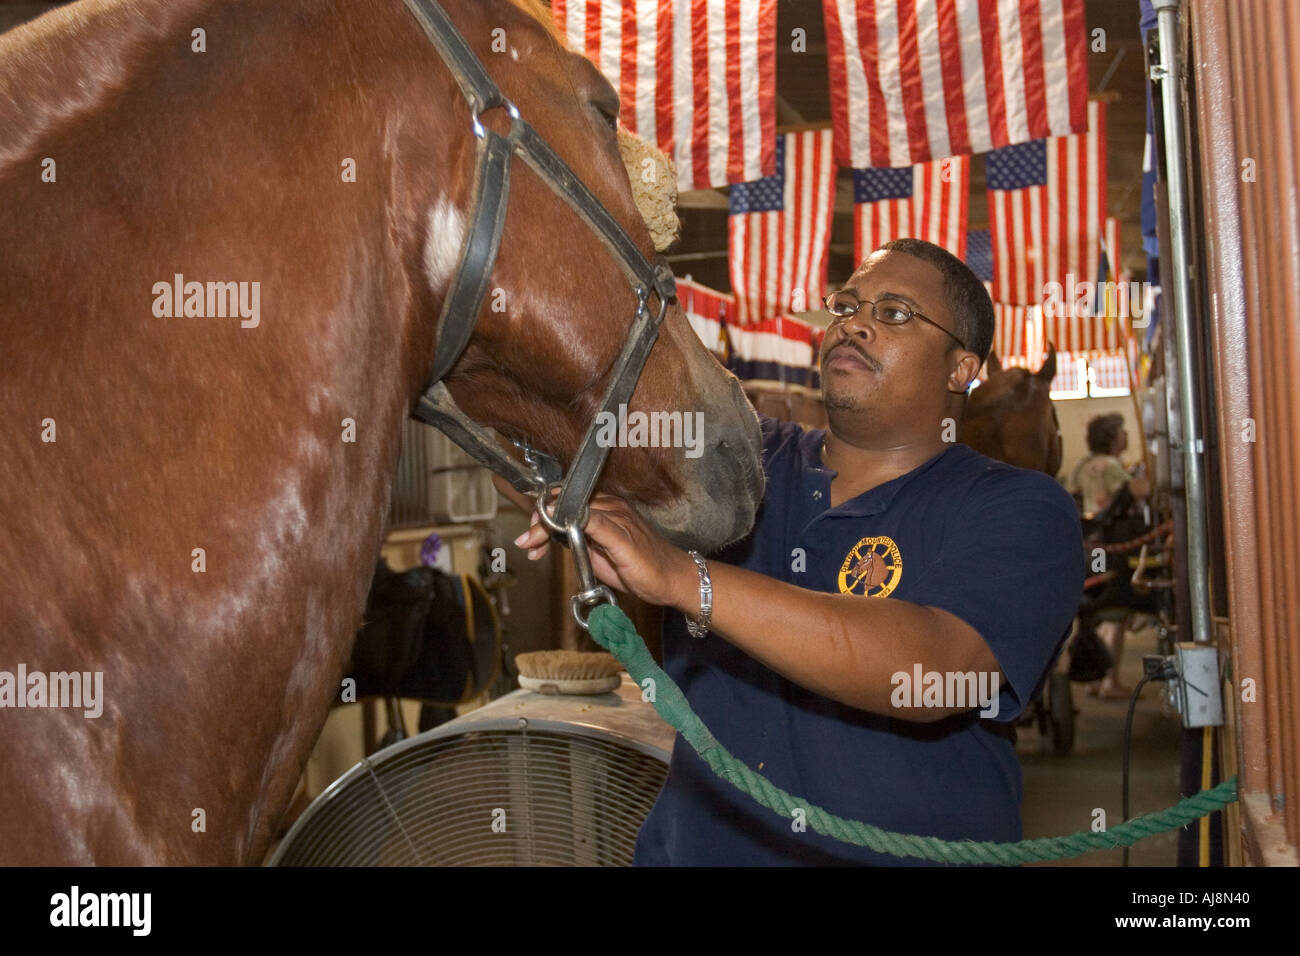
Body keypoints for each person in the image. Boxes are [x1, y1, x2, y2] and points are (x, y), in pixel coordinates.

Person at [513, 238, 1085, 865]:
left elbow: (933, 672)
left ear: (962, 368)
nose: (854, 323)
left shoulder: (1021, 508)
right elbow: (545, 448)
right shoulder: (743, 455)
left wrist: (689, 580)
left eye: (894, 313)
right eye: (846, 305)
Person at [1070, 414, 1152, 698]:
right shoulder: (1113, 467)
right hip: (1113, 544)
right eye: (1122, 431)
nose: (1126, 435)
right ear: (1112, 437)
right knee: (1116, 610)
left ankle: (1096, 678)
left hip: (1091, 547)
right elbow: (1140, 491)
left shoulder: (1083, 466)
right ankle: (1110, 681)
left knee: (1099, 606)